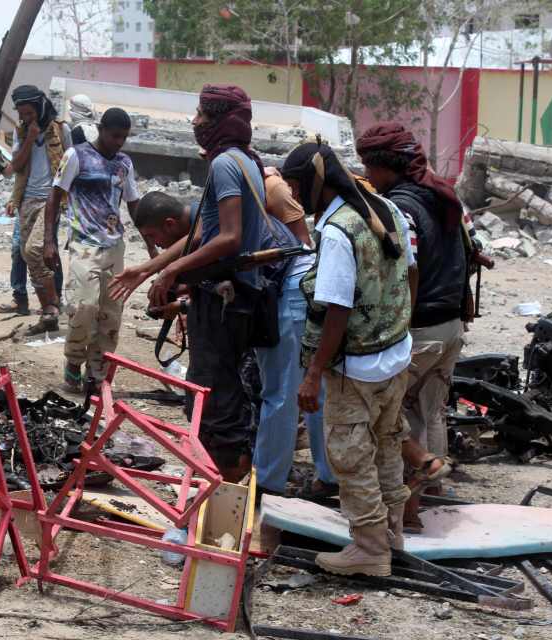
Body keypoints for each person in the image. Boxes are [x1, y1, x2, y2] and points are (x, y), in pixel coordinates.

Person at [112, 86, 303, 484]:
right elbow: (202, 233)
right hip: (234, 295)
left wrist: (170, 273)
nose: (195, 122)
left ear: (218, 120)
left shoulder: (224, 166)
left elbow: (229, 238)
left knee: (216, 397)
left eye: (201, 114)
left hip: (226, 299)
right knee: (220, 392)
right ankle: (224, 482)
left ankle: (226, 492)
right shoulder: (243, 160)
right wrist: (150, 269)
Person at [122, 188, 338, 495]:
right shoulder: (209, 224)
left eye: (154, 236)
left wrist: (160, 271)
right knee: (288, 396)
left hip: (282, 302)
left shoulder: (216, 225)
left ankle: (269, 486)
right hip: (274, 305)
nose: (156, 245)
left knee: (281, 396)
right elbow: (215, 280)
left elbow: (224, 283)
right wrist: (180, 301)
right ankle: (312, 476)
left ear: (170, 224)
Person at [284, 140, 415, 577]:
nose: (293, 196)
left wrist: (313, 373)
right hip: (396, 354)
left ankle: (370, 549)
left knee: (351, 456)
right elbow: (411, 270)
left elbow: (336, 308)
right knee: (388, 445)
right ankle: (392, 534)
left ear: (314, 183)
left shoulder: (338, 230)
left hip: (354, 367)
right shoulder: (386, 208)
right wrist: (396, 322)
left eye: (295, 186)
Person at [356, 123, 466, 530]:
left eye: (369, 166)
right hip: (449, 326)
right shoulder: (441, 196)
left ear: (387, 167)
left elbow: (406, 272)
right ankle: (428, 500)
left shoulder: (400, 208)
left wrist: (390, 327)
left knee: (392, 418)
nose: (366, 175)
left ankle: (409, 513)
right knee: (431, 413)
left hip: (418, 328)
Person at [44, 107, 140, 392]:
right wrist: (49, 240)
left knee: (110, 313)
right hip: (84, 243)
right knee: (84, 306)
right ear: (101, 130)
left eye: (124, 137)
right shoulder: (76, 156)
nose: (119, 142)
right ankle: (74, 360)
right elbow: (55, 196)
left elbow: (133, 203)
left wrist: (151, 245)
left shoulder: (124, 163)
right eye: (115, 136)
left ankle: (97, 372)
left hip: (115, 246)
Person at [0, 85, 71, 328]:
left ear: (40, 107)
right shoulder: (21, 133)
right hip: (26, 200)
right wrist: (29, 138)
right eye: (22, 114)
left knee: (33, 250)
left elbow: (72, 164)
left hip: (50, 201)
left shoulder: (61, 130)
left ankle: (51, 304)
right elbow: (16, 167)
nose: (25, 118)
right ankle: (48, 311)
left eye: (29, 113)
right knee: (28, 254)